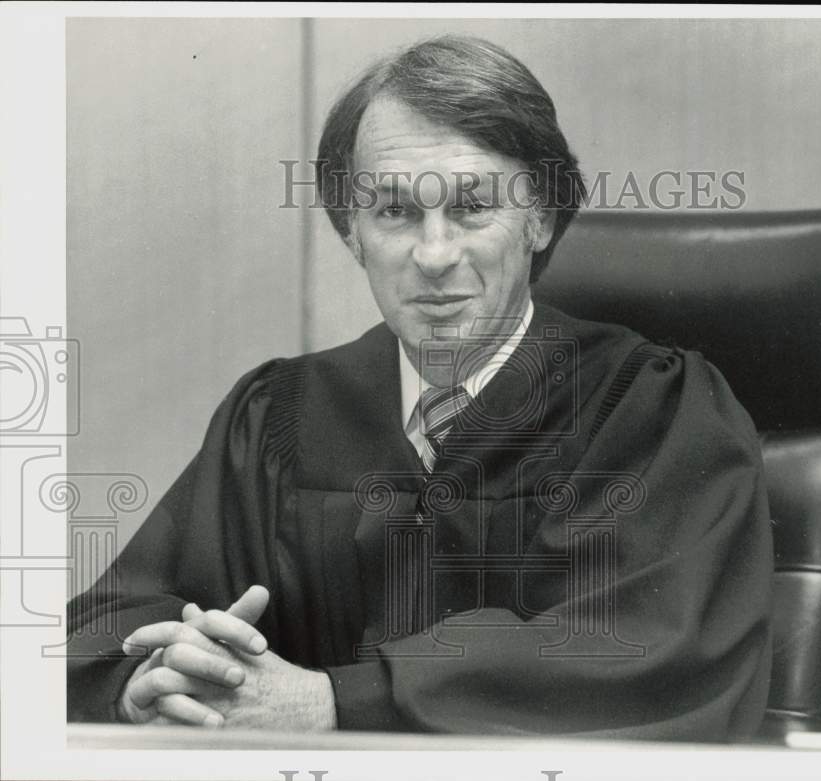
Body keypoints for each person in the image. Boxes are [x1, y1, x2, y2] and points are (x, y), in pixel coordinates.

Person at [67, 35, 773, 741]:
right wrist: (151, 680)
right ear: (352, 233)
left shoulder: (646, 408)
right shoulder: (281, 418)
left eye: (472, 206)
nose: (434, 255)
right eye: (395, 212)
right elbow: (116, 615)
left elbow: (647, 651)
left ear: (541, 218)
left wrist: (340, 702)